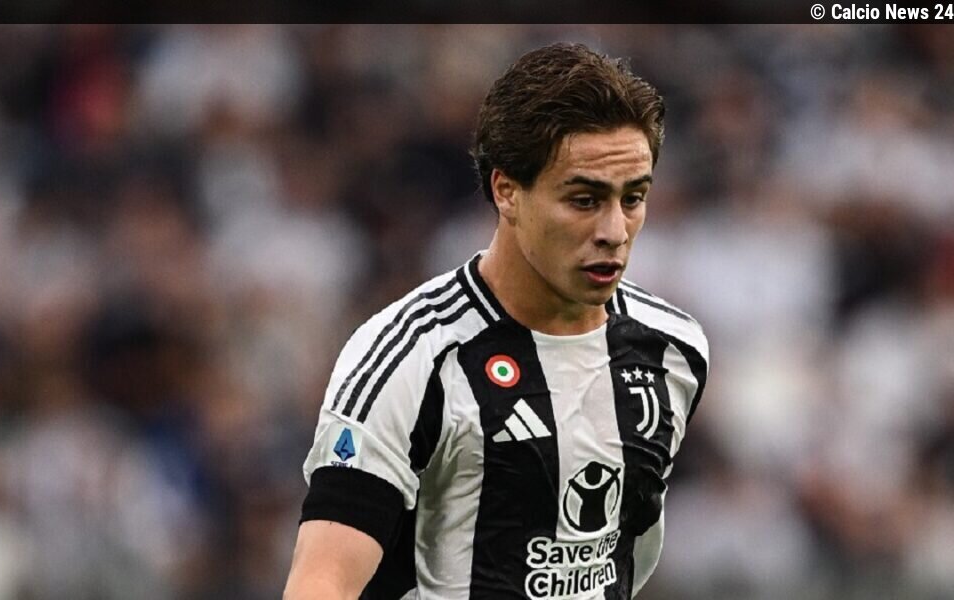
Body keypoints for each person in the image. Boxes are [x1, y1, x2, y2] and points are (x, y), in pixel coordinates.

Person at [283, 42, 709, 600]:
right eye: (584, 200)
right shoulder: (414, 357)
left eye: (633, 199)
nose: (614, 231)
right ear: (507, 191)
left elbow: (623, 558)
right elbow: (323, 583)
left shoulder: (672, 350)